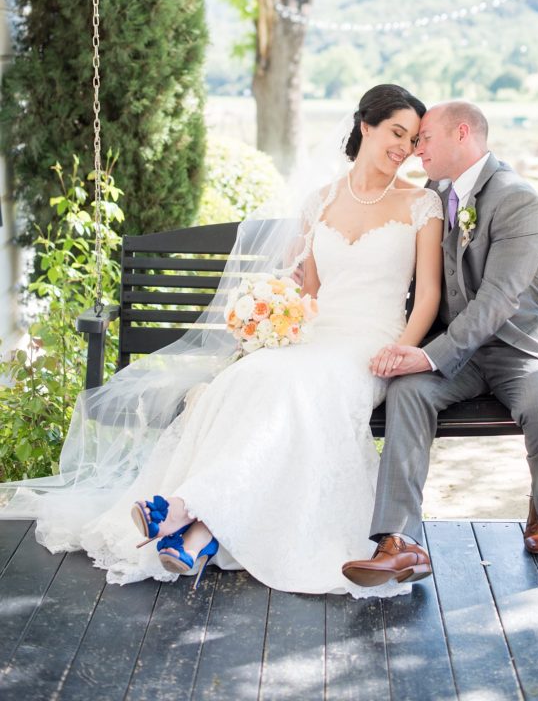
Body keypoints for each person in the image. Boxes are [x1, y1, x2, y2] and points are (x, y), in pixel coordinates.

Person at [0, 84, 444, 597]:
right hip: (317, 339)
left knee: (290, 389)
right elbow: (308, 290)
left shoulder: (421, 204)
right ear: (365, 126)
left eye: (412, 140)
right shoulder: (320, 202)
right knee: (249, 378)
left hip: (371, 346)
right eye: (396, 132)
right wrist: (275, 316)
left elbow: (428, 294)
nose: (404, 147)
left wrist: (404, 351)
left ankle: (181, 511)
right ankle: (199, 536)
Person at [342, 101, 538, 589]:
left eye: (424, 138)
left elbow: (496, 300)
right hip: (458, 353)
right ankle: (398, 541)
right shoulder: (433, 194)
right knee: (409, 392)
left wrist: (429, 354)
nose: (416, 148)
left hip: (518, 348)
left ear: (463, 134)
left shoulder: (518, 200)